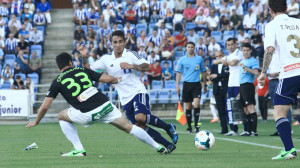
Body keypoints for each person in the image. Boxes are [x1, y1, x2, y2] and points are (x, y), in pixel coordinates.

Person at [26, 52, 168, 156]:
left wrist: (36, 121)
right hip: (105, 105)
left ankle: (79, 149)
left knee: (61, 116)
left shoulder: (57, 81)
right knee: (129, 127)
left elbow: (45, 106)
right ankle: (158, 147)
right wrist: (117, 80)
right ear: (71, 62)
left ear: (59, 67)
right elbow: (107, 79)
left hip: (87, 113)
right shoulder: (83, 70)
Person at [79, 30, 178, 153]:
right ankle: (167, 144)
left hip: (138, 91)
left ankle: (168, 127)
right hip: (124, 98)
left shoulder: (131, 55)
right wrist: (84, 57)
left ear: (125, 42)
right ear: (111, 44)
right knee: (138, 126)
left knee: (140, 117)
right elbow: (88, 70)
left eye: (121, 41)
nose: (118, 45)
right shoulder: (106, 59)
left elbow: (148, 66)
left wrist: (132, 66)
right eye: (115, 42)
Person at [257, 0, 299, 160]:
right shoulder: (298, 22)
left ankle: (289, 149)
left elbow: (269, 50)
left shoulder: (271, 25)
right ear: (287, 8)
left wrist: (263, 72)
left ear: (270, 10)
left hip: (290, 72)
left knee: (279, 112)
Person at [213, 38, 244, 136]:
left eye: (232, 44)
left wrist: (226, 62)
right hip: (231, 83)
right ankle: (233, 129)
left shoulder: (238, 52)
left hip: (238, 82)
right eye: (228, 45)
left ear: (235, 44)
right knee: (231, 107)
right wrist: (222, 60)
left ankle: (247, 129)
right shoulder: (228, 56)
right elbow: (214, 62)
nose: (230, 46)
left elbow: (233, 63)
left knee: (240, 106)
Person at [176, 41, 207, 133]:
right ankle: (189, 127)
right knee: (188, 107)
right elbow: (179, 73)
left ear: (194, 48)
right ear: (186, 48)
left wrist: (204, 83)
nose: (190, 48)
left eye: (192, 47)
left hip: (196, 84)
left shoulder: (199, 59)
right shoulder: (182, 60)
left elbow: (204, 71)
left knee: (196, 104)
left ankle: (196, 125)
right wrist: (177, 85)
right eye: (188, 47)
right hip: (187, 84)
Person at [239, 43, 259, 136]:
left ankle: (254, 131)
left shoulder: (253, 61)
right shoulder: (243, 60)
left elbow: (256, 73)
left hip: (248, 85)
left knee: (250, 108)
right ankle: (247, 130)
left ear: (250, 50)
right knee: (245, 109)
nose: (245, 52)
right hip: (242, 86)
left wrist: (246, 68)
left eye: (247, 50)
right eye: (244, 50)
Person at [210, 50, 229, 134]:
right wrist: (219, 77)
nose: (218, 58)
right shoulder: (214, 66)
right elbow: (211, 77)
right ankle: (224, 129)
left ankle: (233, 128)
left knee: (229, 109)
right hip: (217, 89)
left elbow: (228, 74)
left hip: (226, 89)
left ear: (223, 55)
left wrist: (217, 76)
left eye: (220, 56)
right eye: (216, 56)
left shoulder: (227, 64)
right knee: (220, 110)